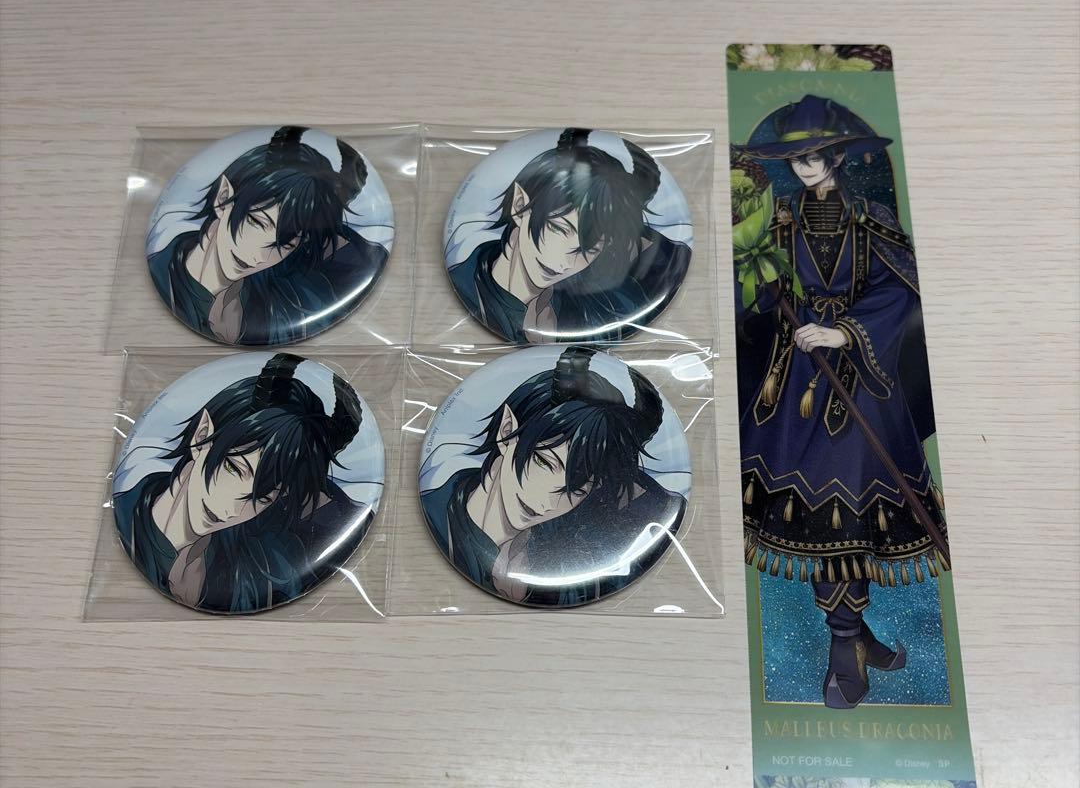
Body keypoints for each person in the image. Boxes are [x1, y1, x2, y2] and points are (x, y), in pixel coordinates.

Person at [735, 95, 948, 709]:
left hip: (859, 381)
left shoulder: (871, 218)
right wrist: (763, 284)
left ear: (837, 156)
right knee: (816, 517)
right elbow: (760, 295)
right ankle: (852, 639)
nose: (805, 165)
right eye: (795, 157)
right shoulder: (777, 221)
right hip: (792, 385)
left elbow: (900, 291)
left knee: (846, 512)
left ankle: (846, 645)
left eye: (816, 154)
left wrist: (844, 332)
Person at [421, 346, 686, 605]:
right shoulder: (438, 513)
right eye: (544, 462)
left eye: (577, 489)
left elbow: (660, 507)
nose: (547, 502)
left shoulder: (572, 544)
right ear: (507, 430)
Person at [114, 354, 368, 612]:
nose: (231, 509)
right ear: (202, 435)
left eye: (264, 497)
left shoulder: (265, 566)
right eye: (234, 469)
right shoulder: (128, 517)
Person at [148, 127, 389, 344]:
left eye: (285, 244)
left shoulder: (290, 299)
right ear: (223, 198)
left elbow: (362, 259)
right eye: (256, 222)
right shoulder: (164, 274)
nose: (259, 256)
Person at [448, 128, 690, 343]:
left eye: (590, 249)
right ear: (520, 204)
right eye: (559, 229)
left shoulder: (602, 311)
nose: (564, 261)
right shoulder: (468, 285)